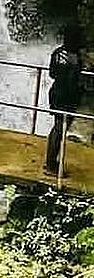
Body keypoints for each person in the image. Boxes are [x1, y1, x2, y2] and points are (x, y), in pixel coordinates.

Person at [45, 23, 84, 175]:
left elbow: (52, 74)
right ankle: (50, 166)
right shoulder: (75, 57)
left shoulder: (57, 52)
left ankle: (50, 162)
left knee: (57, 127)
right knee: (60, 129)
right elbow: (74, 80)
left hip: (56, 93)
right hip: (66, 96)